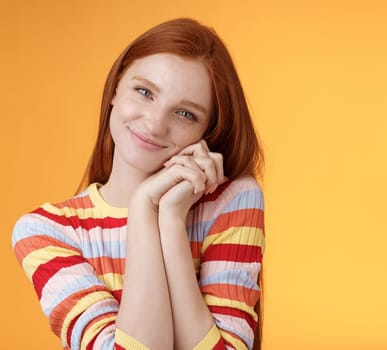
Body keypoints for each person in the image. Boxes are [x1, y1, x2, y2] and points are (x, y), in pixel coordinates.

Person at [11, 18, 264, 350]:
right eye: (145, 92)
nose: (155, 124)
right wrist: (144, 208)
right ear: (115, 87)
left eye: (185, 114)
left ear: (207, 132)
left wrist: (170, 220)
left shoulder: (232, 201)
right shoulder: (47, 231)